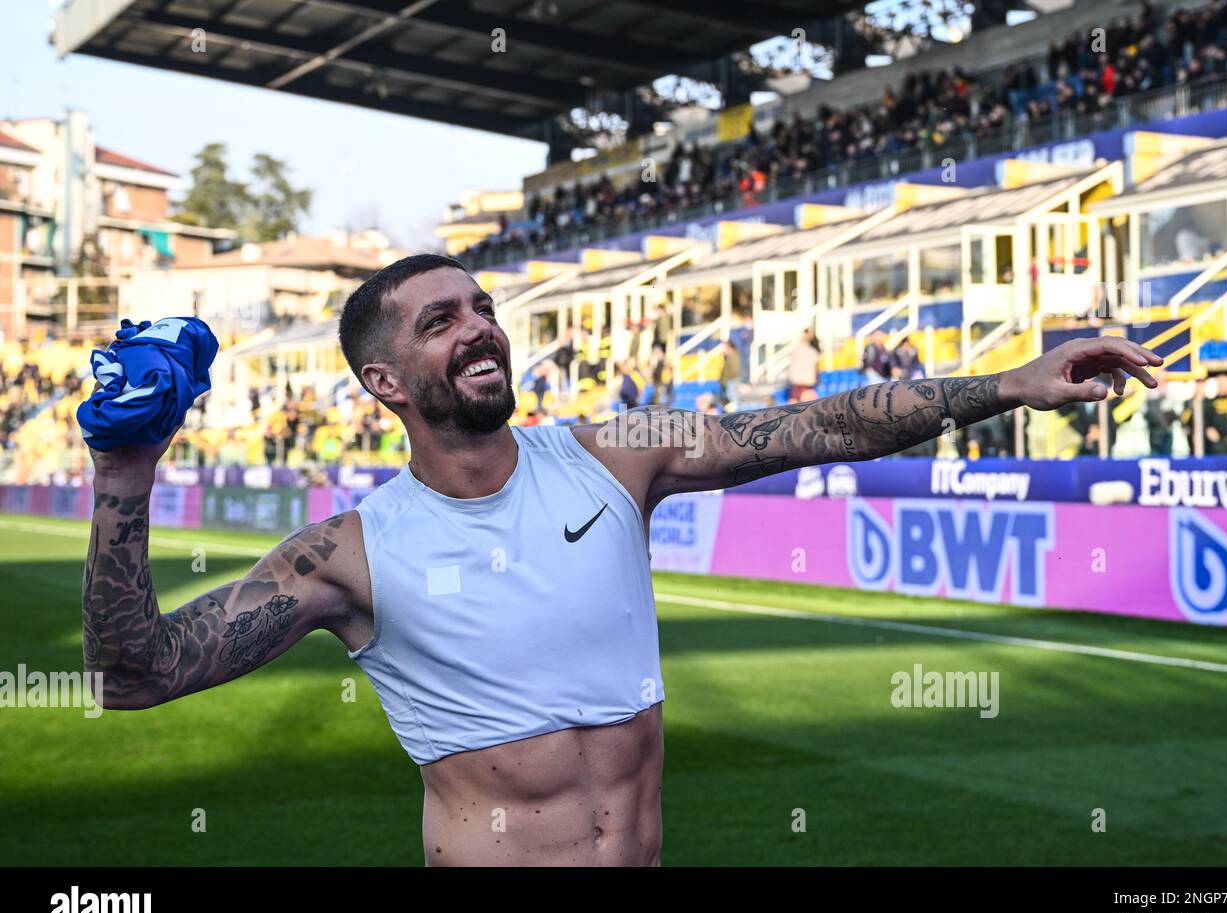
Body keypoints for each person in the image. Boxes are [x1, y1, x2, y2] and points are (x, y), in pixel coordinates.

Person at [82, 253, 1163, 866]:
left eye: (486, 308)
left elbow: (822, 426)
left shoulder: (613, 456)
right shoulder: (348, 554)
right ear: (384, 383)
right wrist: (125, 477)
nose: (480, 326)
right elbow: (136, 675)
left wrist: (1009, 384)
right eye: (442, 319)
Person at [788, 328, 821, 403]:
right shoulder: (798, 349)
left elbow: (816, 368)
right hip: (799, 382)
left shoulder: (813, 351)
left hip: (807, 383)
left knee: (808, 406)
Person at [719, 340, 741, 408]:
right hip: (726, 381)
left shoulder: (734, 356)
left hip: (732, 380)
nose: (723, 350)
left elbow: (734, 370)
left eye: (725, 348)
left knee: (732, 398)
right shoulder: (727, 357)